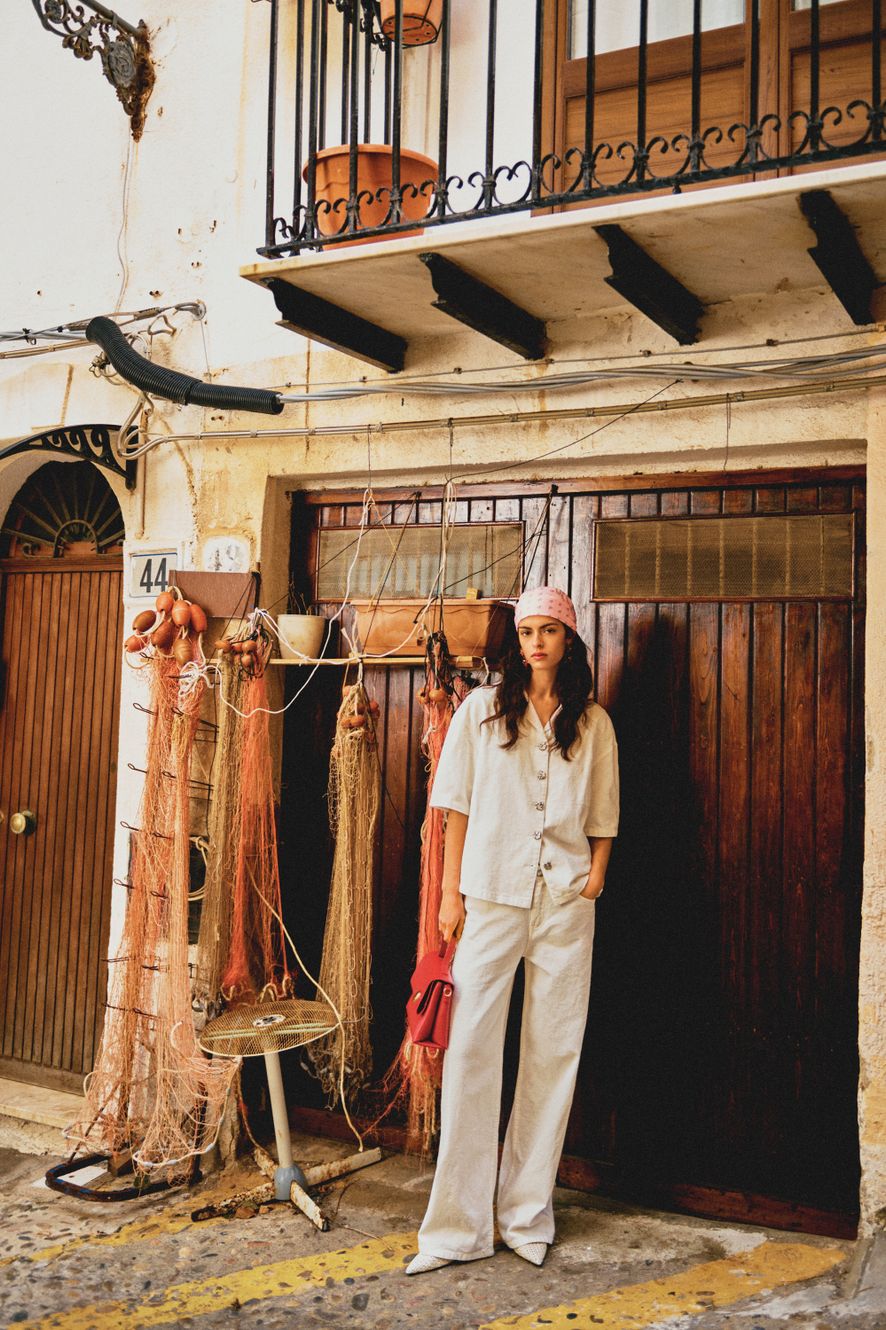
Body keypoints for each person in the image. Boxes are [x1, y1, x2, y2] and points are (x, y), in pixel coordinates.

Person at [406, 585, 619, 1275]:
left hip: (565, 900)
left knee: (553, 1053)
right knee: (471, 1050)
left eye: (548, 631)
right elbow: (455, 805)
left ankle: (526, 1217)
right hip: (490, 897)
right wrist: (449, 896)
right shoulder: (480, 711)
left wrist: (595, 877)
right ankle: (455, 1231)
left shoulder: (593, 723)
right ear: (516, 643)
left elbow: (603, 813)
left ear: (568, 640)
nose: (536, 642)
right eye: (526, 632)